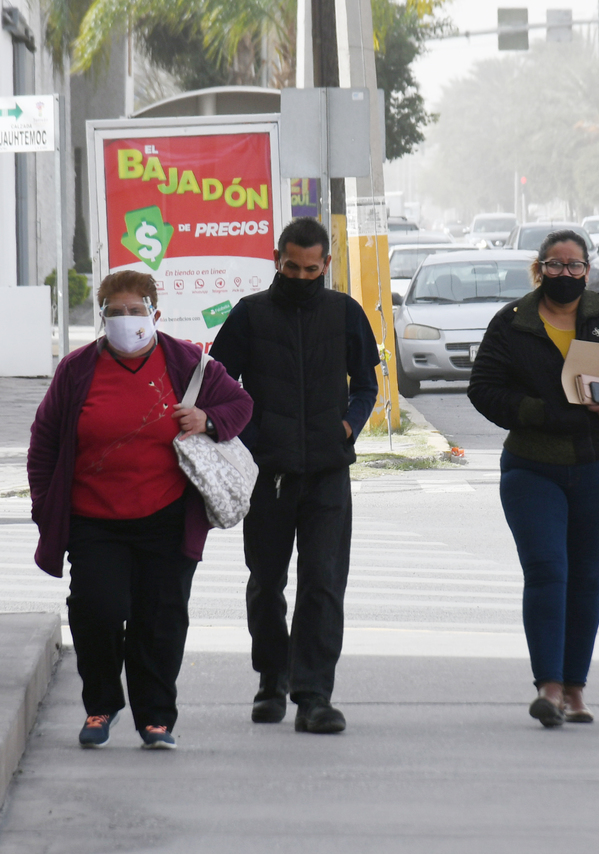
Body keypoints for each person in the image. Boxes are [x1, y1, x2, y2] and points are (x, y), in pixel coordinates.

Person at [27, 270, 253, 750]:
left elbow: (240, 404)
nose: (126, 320)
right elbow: (44, 441)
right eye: (116, 311)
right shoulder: (76, 369)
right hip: (95, 520)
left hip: (167, 519)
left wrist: (208, 420)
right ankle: (101, 706)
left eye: (136, 311)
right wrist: (45, 504)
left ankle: (156, 718)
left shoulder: (188, 363)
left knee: (161, 619)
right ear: (102, 316)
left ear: (155, 314)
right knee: (97, 611)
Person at [467, 229, 599, 727]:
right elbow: (483, 389)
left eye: (574, 266)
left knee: (586, 578)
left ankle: (575, 690)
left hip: (598, 466)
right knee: (548, 571)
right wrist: (537, 411)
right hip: (532, 468)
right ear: (539, 269)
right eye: (554, 265)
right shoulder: (512, 322)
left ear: (588, 270)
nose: (565, 274)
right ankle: (548, 688)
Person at [209, 218, 380, 734]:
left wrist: (348, 426)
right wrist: (252, 438)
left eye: (312, 269)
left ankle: (314, 695)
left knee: (323, 584)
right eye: (291, 267)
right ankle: (270, 679)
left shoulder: (345, 313)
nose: (302, 276)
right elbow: (220, 383)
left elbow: (367, 384)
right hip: (268, 476)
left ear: (326, 265)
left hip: (328, 473)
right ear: (276, 259)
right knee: (267, 582)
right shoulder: (250, 314)